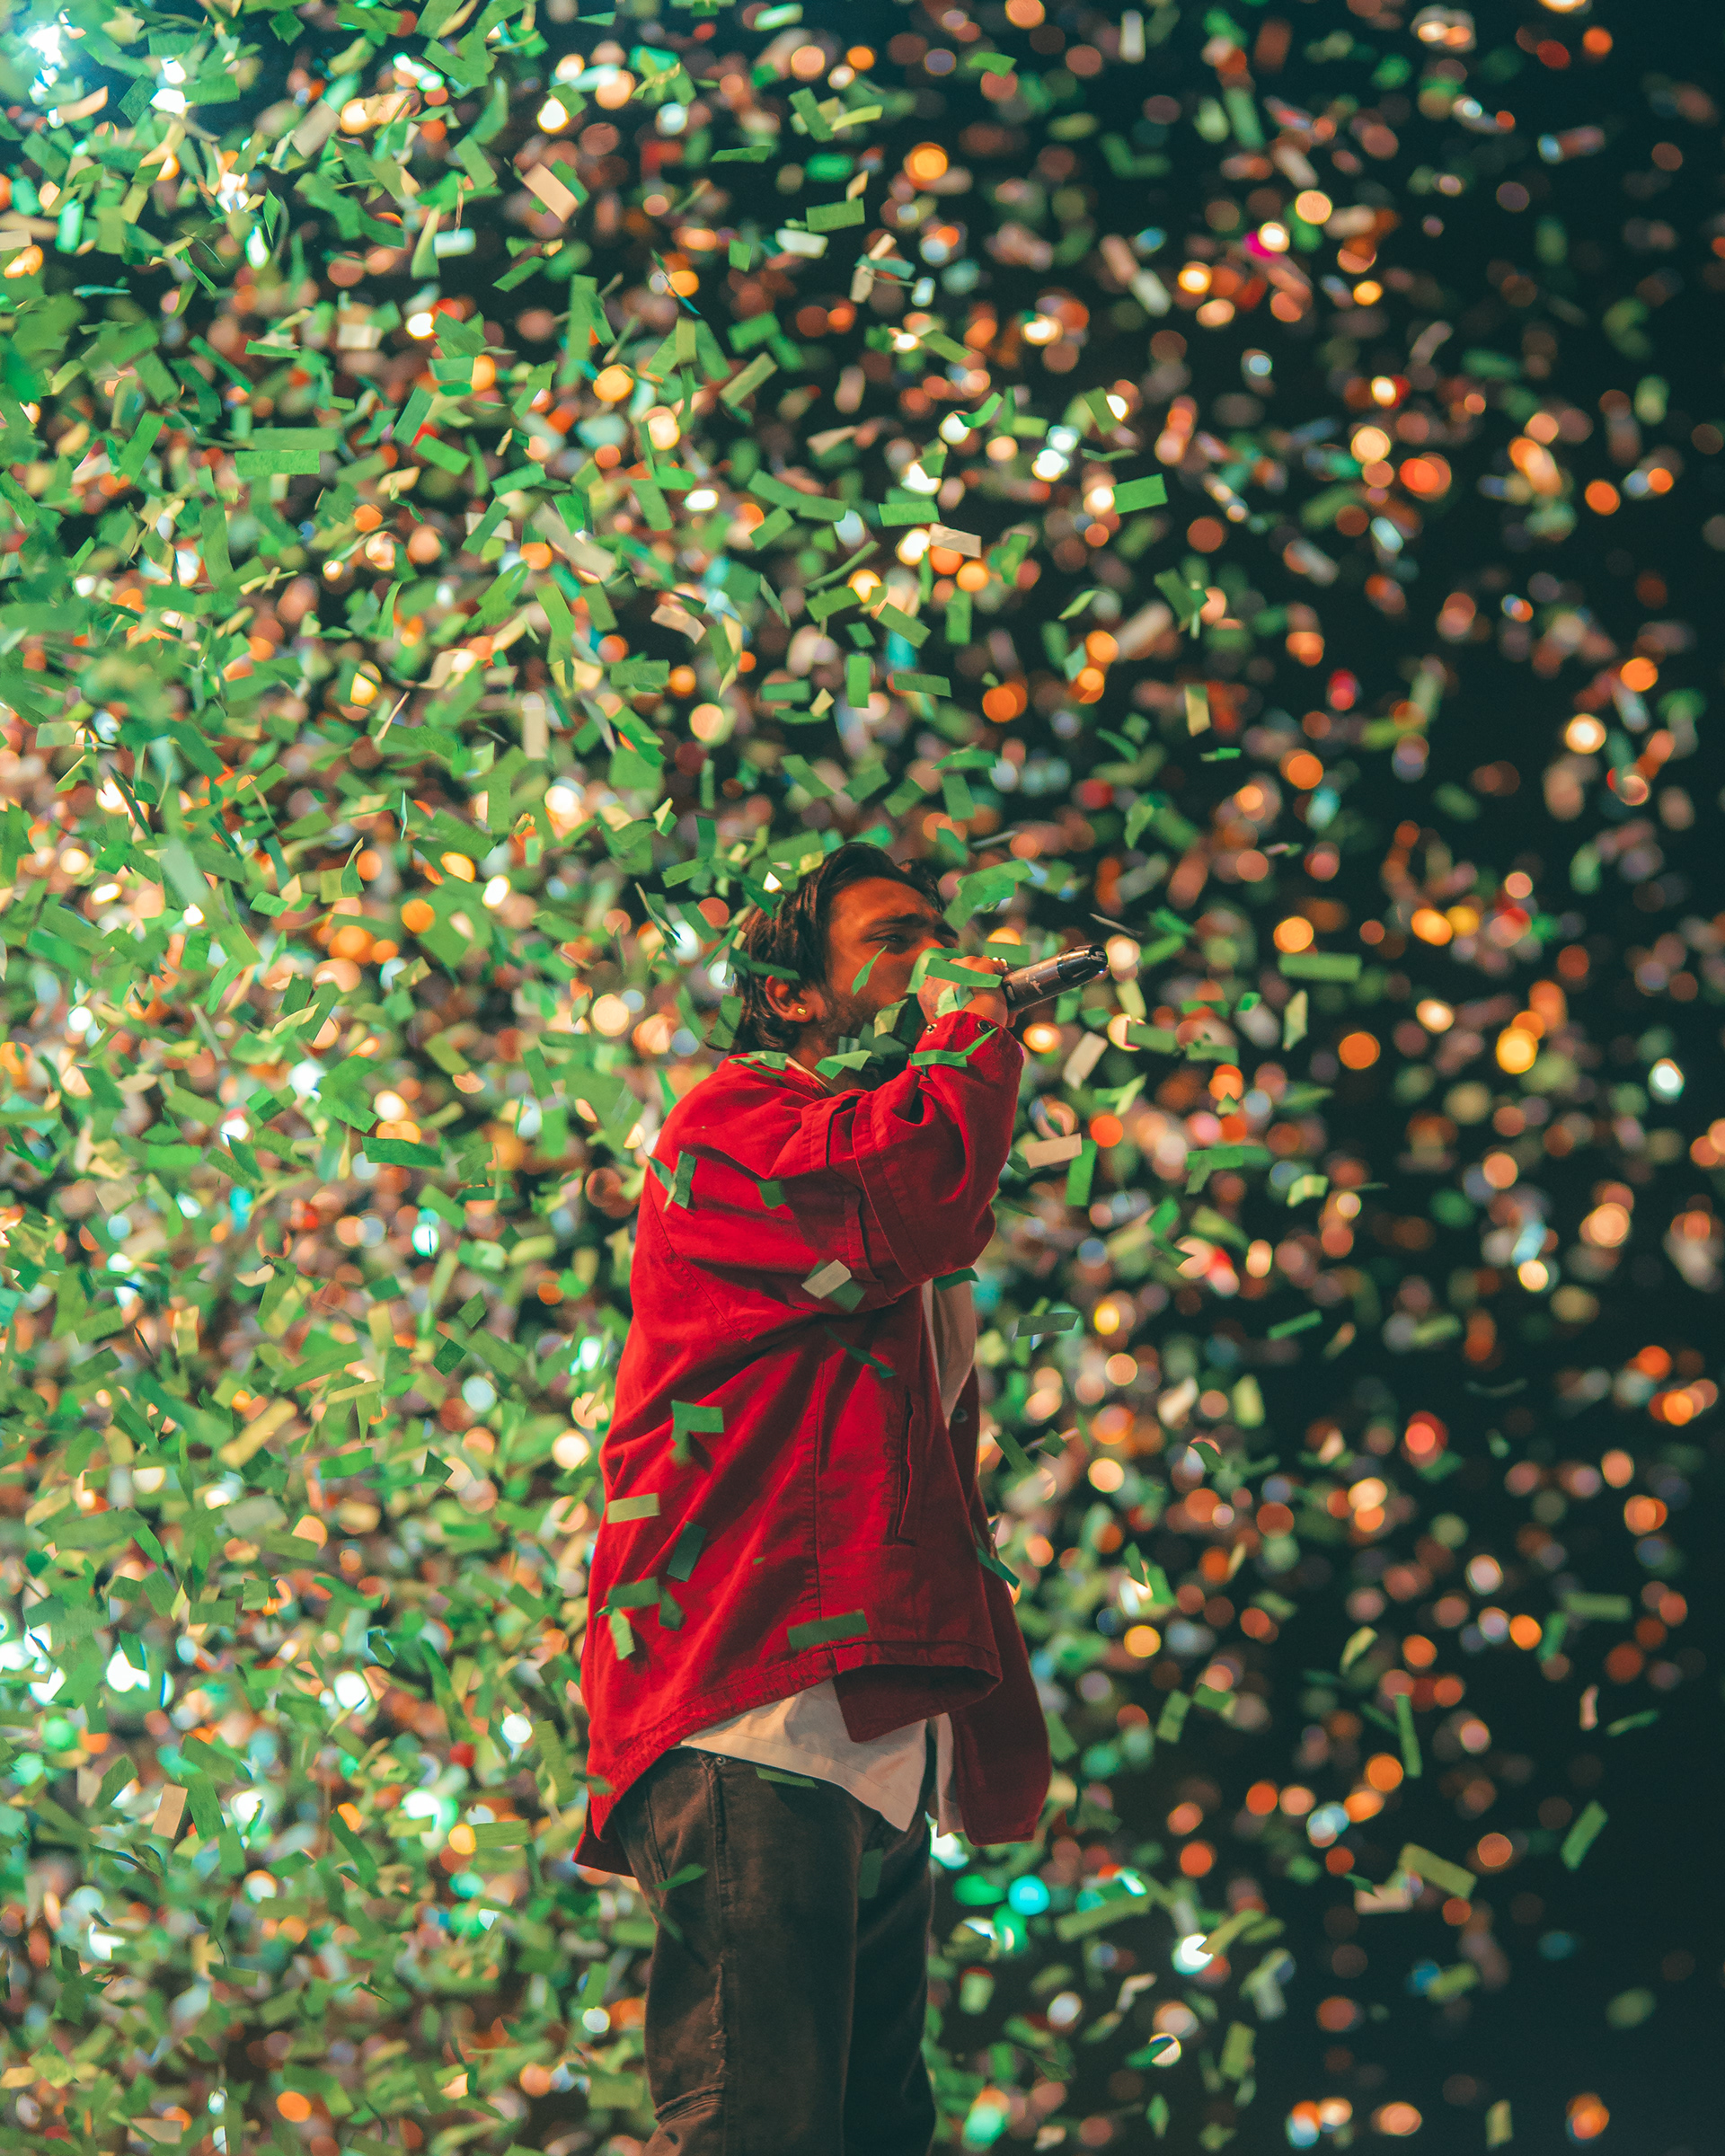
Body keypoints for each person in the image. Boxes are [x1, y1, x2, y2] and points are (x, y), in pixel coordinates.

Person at [573, 841, 1052, 2153]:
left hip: (874, 1727)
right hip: (755, 1695)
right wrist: (970, 1031)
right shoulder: (730, 1128)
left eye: (942, 939)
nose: (939, 965)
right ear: (790, 995)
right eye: (896, 942)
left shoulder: (881, 1188)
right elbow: (912, 1188)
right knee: (758, 2126)